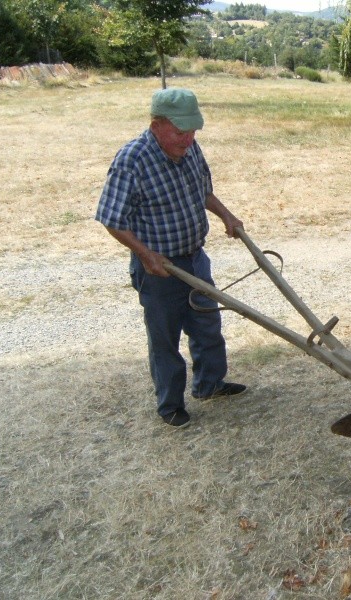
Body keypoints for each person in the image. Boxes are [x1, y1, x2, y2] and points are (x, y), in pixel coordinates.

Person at [96, 88, 247, 429]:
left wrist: (227, 216)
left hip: (195, 258)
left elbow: (203, 190)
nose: (188, 139)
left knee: (208, 326)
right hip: (159, 270)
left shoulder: (189, 149)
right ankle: (171, 405)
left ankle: (210, 384)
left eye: (193, 131)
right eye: (181, 132)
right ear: (157, 124)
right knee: (165, 338)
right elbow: (111, 219)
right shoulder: (132, 160)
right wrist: (146, 255)